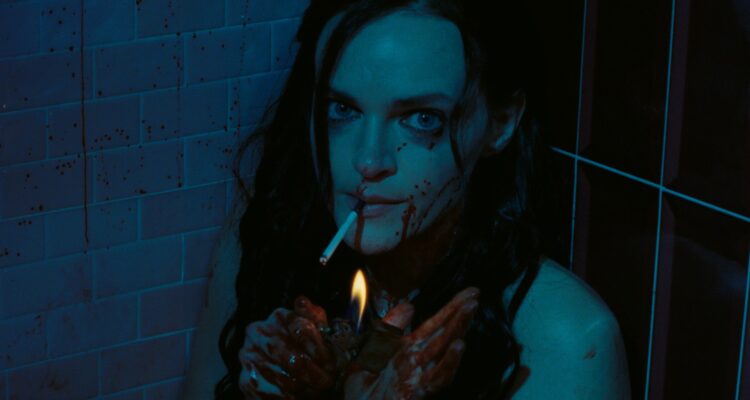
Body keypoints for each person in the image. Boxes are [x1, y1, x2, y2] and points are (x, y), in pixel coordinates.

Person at [184, 0, 632, 398]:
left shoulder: (564, 338)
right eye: (343, 109)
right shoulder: (266, 241)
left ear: (500, 123)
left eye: (421, 119)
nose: (368, 160)